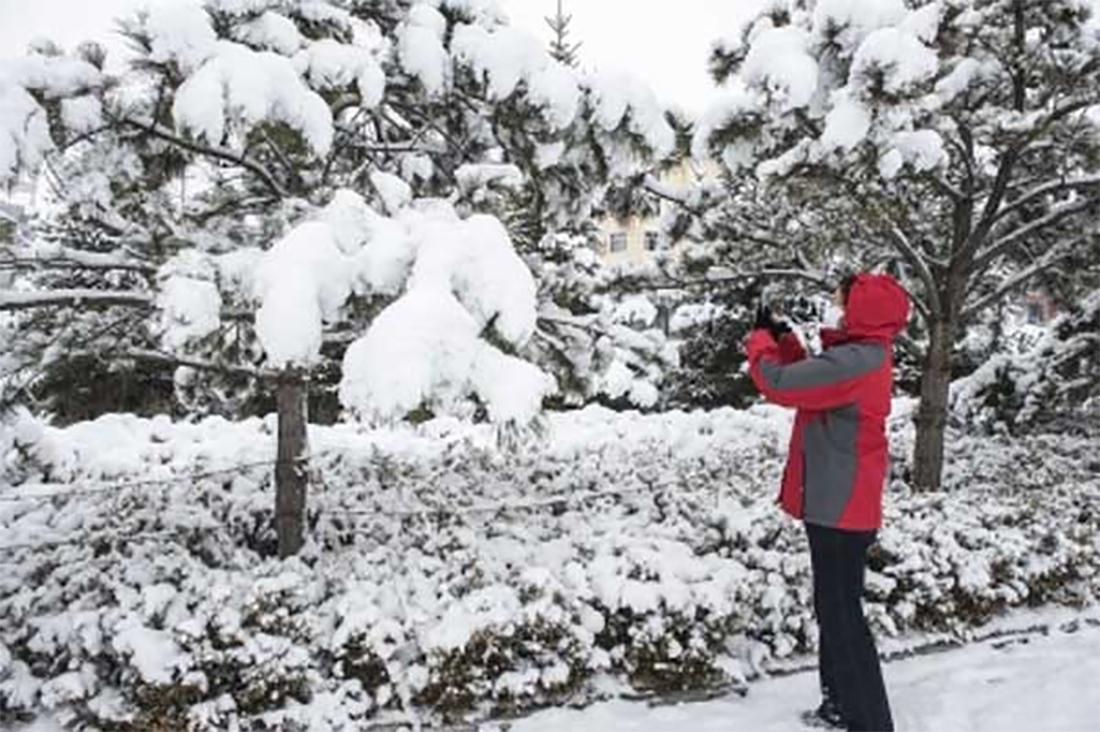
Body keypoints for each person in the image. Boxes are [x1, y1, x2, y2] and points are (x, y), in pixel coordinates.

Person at [745, 273, 910, 732]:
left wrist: (760, 340)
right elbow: (810, 381)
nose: (836, 303)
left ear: (863, 311)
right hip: (841, 503)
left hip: (840, 507)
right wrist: (783, 337)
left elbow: (779, 383)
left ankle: (871, 723)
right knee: (836, 610)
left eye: (845, 298)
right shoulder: (859, 356)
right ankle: (839, 705)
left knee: (843, 618)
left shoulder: (856, 361)